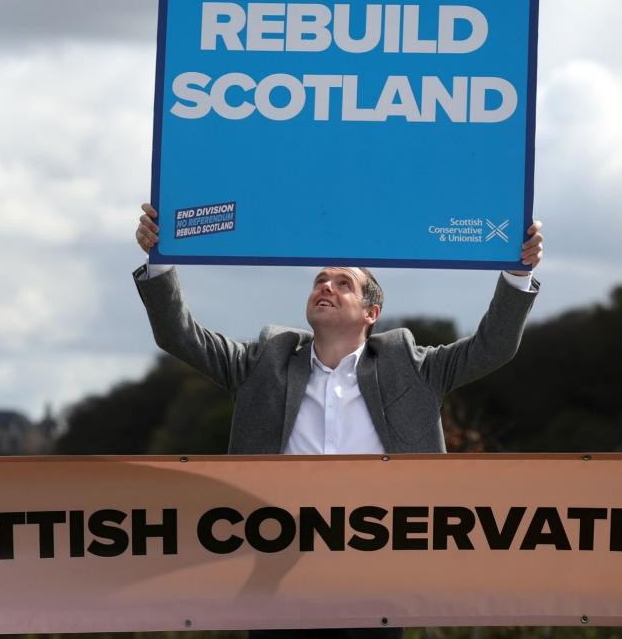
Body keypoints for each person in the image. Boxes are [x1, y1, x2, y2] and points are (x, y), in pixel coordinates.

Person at [133, 204, 542, 639]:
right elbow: (179, 335)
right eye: (319, 281)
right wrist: (161, 259)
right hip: (276, 581)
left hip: (376, 581)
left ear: (371, 312)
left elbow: (491, 348)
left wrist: (518, 273)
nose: (325, 286)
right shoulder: (263, 362)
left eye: (343, 282)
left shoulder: (410, 365)